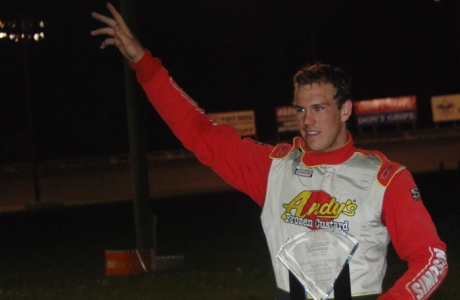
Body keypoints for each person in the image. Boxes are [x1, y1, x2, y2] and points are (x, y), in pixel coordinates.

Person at [91, 3, 448, 299]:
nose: (308, 120)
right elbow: (199, 131)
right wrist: (145, 65)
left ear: (345, 110)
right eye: (300, 109)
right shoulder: (275, 169)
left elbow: (432, 258)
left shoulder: (385, 178)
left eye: (320, 108)